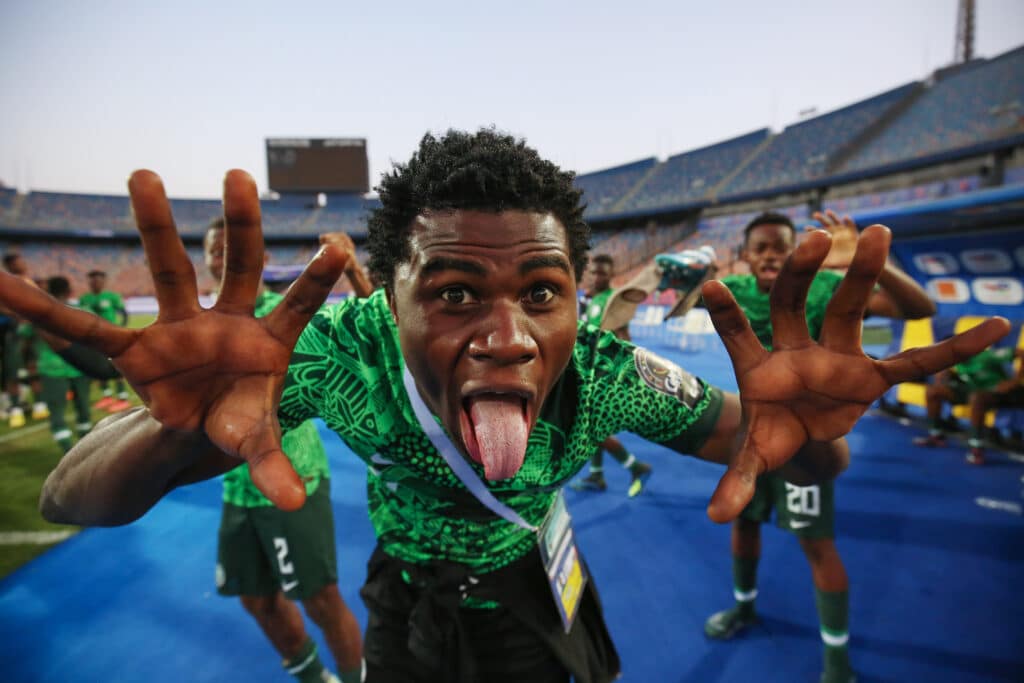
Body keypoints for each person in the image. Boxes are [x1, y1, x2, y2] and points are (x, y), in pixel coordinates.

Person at [2, 129, 1006, 683]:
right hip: (407, 598)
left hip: (538, 583)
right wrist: (166, 434)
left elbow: (776, 451)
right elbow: (71, 497)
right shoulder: (332, 354)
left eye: (540, 292)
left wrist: (815, 446)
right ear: (388, 294)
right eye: (452, 294)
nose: (508, 336)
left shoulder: (606, 369)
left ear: (576, 292)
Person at [699, 210, 936, 683]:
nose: (770, 255)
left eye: (780, 246)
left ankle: (835, 662)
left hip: (805, 440)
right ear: (745, 257)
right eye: (760, 248)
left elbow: (919, 309)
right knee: (744, 523)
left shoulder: (824, 290)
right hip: (750, 435)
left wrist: (868, 263)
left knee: (816, 543)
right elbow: (677, 297)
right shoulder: (736, 293)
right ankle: (744, 608)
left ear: (795, 252)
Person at [203, 219, 364, 683]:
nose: (227, 259)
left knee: (319, 599)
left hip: (295, 477)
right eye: (218, 250)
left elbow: (373, 331)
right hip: (236, 483)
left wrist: (352, 269)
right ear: (207, 258)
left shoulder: (289, 315)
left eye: (238, 250)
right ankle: (316, 679)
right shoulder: (198, 325)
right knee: (256, 598)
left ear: (262, 260)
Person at [572, 253, 653, 496]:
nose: (597, 277)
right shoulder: (589, 299)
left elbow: (624, 338)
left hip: (604, 376)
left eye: (602, 273)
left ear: (611, 276)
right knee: (595, 428)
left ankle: (636, 467)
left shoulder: (612, 300)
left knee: (592, 428)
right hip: (588, 371)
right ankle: (597, 475)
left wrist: (619, 377)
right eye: (594, 272)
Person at [914, 344, 1024, 464]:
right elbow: (960, 377)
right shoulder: (955, 362)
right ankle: (935, 435)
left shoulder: (985, 356)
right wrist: (945, 375)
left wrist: (1015, 380)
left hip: (1001, 392)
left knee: (976, 398)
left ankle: (976, 449)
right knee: (933, 391)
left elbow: (1021, 353)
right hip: (973, 390)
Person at [17, 276, 92, 452]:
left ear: (48, 291)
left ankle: (68, 451)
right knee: (83, 410)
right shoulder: (83, 310)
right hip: (80, 367)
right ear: (69, 291)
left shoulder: (39, 313)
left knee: (57, 414)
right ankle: (86, 451)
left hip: (51, 370)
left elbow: (23, 334)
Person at [2, 252, 49, 427]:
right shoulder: (6, 283)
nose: (23, 263)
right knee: (13, 371)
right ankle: (15, 410)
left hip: (32, 332)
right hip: (14, 333)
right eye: (19, 261)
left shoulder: (28, 281)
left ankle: (39, 405)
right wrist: (18, 315)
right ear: (10, 265)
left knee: (33, 368)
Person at [78, 269, 132, 412]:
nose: (95, 282)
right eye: (92, 280)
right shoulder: (84, 299)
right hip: (93, 338)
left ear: (103, 282)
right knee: (98, 366)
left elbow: (124, 313)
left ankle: (122, 398)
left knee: (116, 366)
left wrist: (121, 329)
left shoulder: (112, 297)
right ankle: (107, 396)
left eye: (98, 279)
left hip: (111, 337)